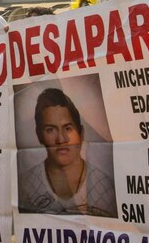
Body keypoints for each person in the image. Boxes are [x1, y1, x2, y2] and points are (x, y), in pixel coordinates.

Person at [18, 88, 116, 217]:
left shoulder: (107, 188)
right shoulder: (24, 186)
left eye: (68, 128)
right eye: (50, 130)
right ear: (39, 135)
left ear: (81, 133)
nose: (61, 139)